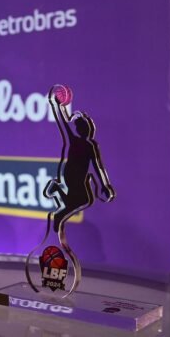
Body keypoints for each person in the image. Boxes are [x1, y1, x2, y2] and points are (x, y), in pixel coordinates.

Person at [45, 86, 115, 234]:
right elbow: (62, 123)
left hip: (79, 177)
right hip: (72, 176)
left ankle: (57, 195)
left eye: (88, 126)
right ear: (79, 129)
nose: (87, 129)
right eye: (84, 126)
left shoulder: (90, 146)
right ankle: (59, 213)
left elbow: (97, 167)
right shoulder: (74, 140)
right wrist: (56, 105)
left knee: (83, 199)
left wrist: (103, 185)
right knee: (82, 199)